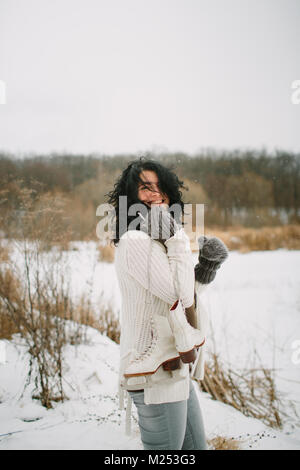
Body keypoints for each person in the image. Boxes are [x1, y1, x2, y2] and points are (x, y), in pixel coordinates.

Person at [107, 157, 228, 450]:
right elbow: (179, 296)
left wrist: (205, 270)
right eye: (145, 188)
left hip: (173, 366)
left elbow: (184, 302)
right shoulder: (135, 241)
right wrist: (176, 236)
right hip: (152, 372)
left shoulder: (157, 241)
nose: (156, 194)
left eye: (160, 187)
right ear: (130, 197)